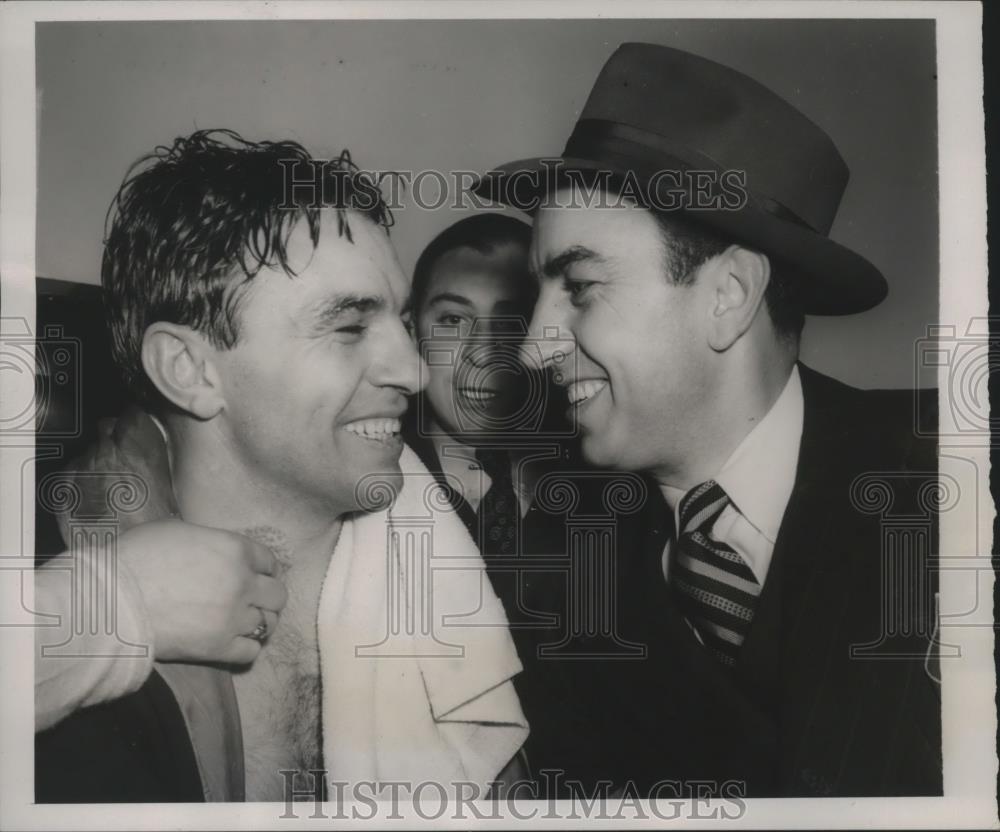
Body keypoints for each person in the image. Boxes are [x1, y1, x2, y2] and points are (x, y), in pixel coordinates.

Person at [473, 42, 941, 797]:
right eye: (539, 294)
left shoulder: (955, 494)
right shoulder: (557, 565)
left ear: (727, 294)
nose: (533, 348)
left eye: (581, 286)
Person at [35, 129, 527, 802]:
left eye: (403, 322)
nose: (413, 372)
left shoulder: (446, 559)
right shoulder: (52, 587)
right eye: (350, 327)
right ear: (190, 370)